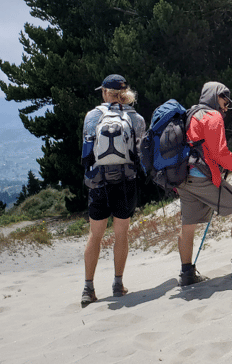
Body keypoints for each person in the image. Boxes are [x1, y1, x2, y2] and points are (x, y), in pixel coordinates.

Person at [176, 81, 232, 286]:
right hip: (202, 177)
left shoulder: (190, 114)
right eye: (223, 98)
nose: (226, 104)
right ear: (213, 96)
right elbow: (221, 155)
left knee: (188, 225)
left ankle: (187, 274)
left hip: (183, 178)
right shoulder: (212, 116)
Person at [80, 74, 146, 306]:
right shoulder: (135, 118)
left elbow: (86, 151)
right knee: (121, 234)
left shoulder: (92, 116)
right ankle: (118, 284)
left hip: (98, 182)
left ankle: (88, 288)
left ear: (106, 93)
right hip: (125, 182)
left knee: (95, 235)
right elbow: (140, 152)